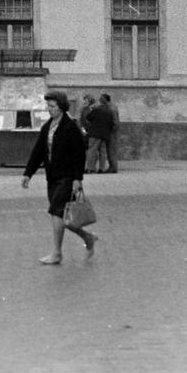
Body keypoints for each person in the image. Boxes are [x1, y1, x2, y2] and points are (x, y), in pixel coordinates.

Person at [21, 90, 97, 264]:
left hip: (68, 178)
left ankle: (56, 253)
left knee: (56, 212)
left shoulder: (71, 127)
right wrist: (28, 173)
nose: (50, 109)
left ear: (61, 106)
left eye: (53, 106)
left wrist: (78, 179)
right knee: (65, 218)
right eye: (48, 105)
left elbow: (79, 155)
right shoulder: (47, 127)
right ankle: (88, 237)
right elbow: (38, 151)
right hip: (52, 177)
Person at [84, 96, 115, 173]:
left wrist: (91, 110)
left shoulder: (96, 110)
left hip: (95, 134)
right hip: (105, 135)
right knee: (103, 152)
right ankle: (102, 168)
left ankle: (90, 168)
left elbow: (88, 118)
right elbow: (111, 123)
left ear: (99, 102)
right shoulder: (109, 111)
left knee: (92, 151)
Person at [100, 93, 120, 173]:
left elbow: (115, 121)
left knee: (111, 150)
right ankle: (112, 166)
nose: (100, 100)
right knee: (109, 149)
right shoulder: (108, 107)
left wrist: (112, 130)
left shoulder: (112, 108)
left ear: (105, 99)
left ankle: (113, 167)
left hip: (112, 132)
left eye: (101, 98)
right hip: (109, 131)